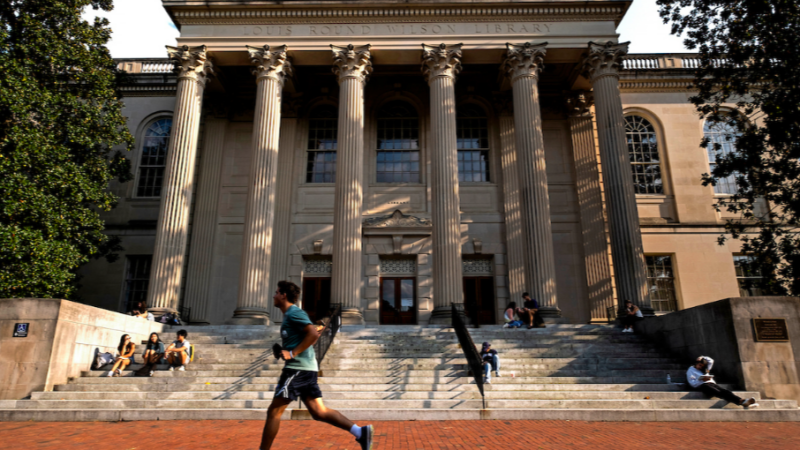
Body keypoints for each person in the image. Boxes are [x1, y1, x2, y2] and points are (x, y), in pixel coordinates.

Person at [259, 280, 373, 450]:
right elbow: (308, 334)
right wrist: (284, 350)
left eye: (276, 292)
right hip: (305, 369)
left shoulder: (294, 313)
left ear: (284, 295)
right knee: (318, 412)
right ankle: (360, 432)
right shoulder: (290, 315)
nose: (274, 295)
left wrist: (292, 353)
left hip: (297, 370)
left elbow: (312, 334)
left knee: (274, 412)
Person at [687, 356, 758, 408]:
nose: (700, 367)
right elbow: (692, 383)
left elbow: (711, 361)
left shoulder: (705, 369)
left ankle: (743, 401)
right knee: (719, 392)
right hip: (703, 386)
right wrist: (702, 380)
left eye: (702, 366)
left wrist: (702, 357)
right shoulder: (691, 370)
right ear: (696, 363)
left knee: (725, 391)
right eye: (699, 365)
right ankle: (742, 401)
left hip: (711, 383)